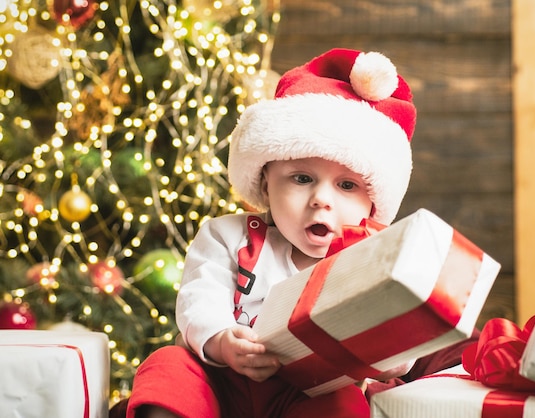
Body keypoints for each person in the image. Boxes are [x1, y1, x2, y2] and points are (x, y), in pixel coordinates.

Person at [122, 48, 477, 418]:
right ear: (265, 182)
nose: (321, 199)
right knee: (168, 365)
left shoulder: (372, 260)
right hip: (222, 384)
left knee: (344, 404)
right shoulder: (228, 236)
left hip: (306, 394)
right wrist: (222, 341)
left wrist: (384, 359)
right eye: (302, 178)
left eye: (346, 186)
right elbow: (200, 297)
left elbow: (397, 343)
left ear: (372, 203)